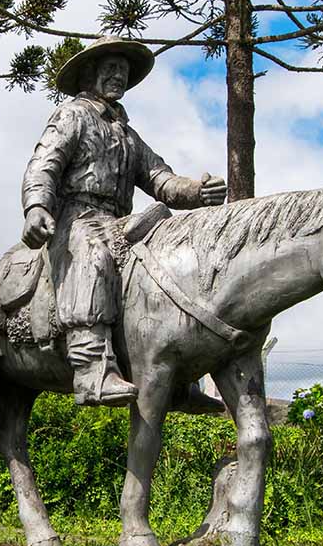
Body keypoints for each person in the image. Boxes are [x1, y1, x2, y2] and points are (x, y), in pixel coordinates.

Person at [21, 36, 227, 406]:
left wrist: (197, 191)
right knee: (94, 255)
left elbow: (160, 178)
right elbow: (44, 164)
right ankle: (92, 370)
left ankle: (177, 374)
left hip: (119, 219)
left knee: (162, 259)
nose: (119, 77)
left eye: (124, 72)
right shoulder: (73, 116)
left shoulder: (129, 135)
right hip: (77, 217)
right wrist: (37, 206)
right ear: (90, 73)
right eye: (111, 69)